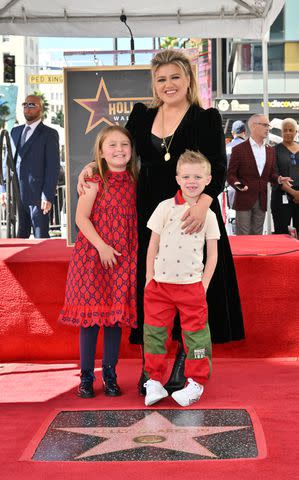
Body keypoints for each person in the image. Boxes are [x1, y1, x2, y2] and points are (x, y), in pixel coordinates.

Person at [78, 49, 245, 396]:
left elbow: (218, 166)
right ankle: (151, 365)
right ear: (154, 84)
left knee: (190, 288)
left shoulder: (207, 118)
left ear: (188, 80)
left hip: (191, 213)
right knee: (152, 288)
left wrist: (203, 205)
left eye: (175, 77)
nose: (168, 85)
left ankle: (185, 357)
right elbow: (116, 148)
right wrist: (92, 165)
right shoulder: (141, 115)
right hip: (150, 216)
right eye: (161, 79)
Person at [59, 125, 138, 398]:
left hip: (122, 259)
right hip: (93, 257)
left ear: (131, 150)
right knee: (91, 322)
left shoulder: (134, 181)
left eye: (124, 145)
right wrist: (103, 246)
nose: (119, 150)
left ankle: (110, 375)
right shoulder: (94, 180)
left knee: (114, 321)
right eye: (112, 145)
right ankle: (85, 378)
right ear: (101, 153)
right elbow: (81, 218)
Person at [143, 150, 220, 407]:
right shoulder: (164, 208)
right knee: (154, 333)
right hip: (159, 286)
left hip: (191, 287)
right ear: (177, 178)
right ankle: (153, 381)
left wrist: (205, 283)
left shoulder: (208, 215)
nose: (191, 181)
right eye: (186, 176)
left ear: (208, 180)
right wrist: (148, 278)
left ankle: (195, 383)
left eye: (198, 176)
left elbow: (213, 254)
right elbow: (152, 244)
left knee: (196, 336)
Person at [0, 94, 60, 238]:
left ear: (41, 109)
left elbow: (53, 167)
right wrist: (3, 188)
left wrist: (47, 195)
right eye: (25, 104)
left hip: (38, 198)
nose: (27, 107)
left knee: (41, 239)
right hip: (16, 195)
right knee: (19, 240)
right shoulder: (15, 131)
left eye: (32, 105)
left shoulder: (49, 134)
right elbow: (6, 162)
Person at [227, 114, 292, 235]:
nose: (268, 128)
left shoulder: (270, 150)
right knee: (243, 235)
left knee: (258, 234)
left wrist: (279, 179)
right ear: (253, 126)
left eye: (268, 125)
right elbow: (230, 174)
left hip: (262, 199)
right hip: (244, 197)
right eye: (265, 125)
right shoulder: (239, 149)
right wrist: (237, 184)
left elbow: (271, 174)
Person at [271, 118, 299, 234]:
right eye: (285, 130)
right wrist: (294, 193)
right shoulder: (274, 151)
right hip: (281, 197)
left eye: (291, 130)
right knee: (281, 232)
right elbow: (274, 174)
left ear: (296, 132)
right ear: (281, 132)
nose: (288, 133)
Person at [225, 120, 247, 209]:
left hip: (232, 187)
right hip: (247, 187)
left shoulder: (227, 148)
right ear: (244, 132)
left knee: (233, 214)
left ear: (232, 132)